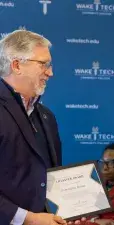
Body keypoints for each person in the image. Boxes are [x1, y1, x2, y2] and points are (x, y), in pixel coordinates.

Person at [0, 30, 66, 225]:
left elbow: (52, 176)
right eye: (43, 64)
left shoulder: (47, 116)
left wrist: (71, 211)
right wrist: (27, 219)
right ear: (17, 65)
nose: (50, 72)